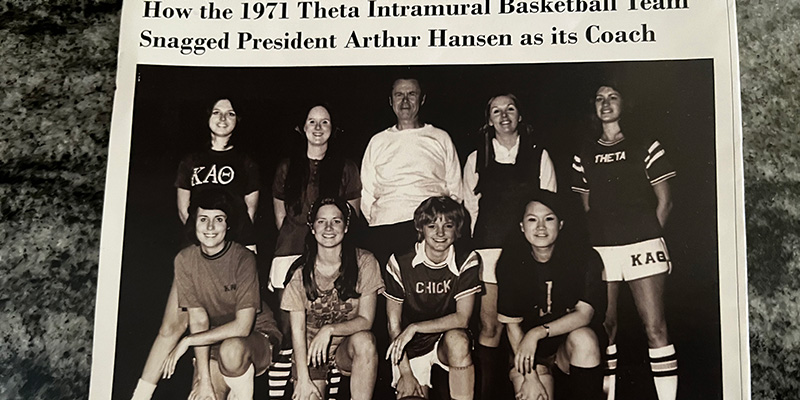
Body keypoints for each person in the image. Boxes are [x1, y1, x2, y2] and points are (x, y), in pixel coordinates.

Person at [133, 97, 261, 400]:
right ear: (208, 117)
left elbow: (249, 213)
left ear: (237, 120)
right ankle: (139, 395)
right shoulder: (191, 160)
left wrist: (231, 254)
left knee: (221, 329)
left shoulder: (246, 162)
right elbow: (184, 211)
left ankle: (215, 388)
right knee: (173, 325)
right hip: (196, 252)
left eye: (230, 113)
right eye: (216, 112)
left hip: (230, 256)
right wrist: (203, 245)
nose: (222, 118)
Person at [571, 84, 678, 400]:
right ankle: (609, 394)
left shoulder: (646, 145)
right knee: (606, 328)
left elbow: (666, 202)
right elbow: (587, 208)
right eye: (599, 98)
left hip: (642, 246)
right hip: (603, 250)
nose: (605, 103)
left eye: (612, 97)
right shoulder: (584, 153)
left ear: (625, 104)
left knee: (655, 328)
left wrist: (645, 237)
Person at [461, 94, 557, 398]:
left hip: (526, 254)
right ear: (489, 119)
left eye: (510, 109)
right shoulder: (477, 156)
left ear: (520, 116)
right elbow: (470, 208)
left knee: (524, 325)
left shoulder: (539, 154)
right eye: (496, 111)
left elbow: (548, 205)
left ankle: (532, 384)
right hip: (489, 251)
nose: (504, 116)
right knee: (490, 329)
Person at [268, 103, 362, 399]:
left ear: (333, 128)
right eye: (312, 121)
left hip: (331, 256)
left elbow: (352, 218)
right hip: (290, 252)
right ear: (303, 127)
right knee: (288, 334)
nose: (318, 127)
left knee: (327, 325)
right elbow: (280, 217)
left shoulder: (346, 167)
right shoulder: (287, 166)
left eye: (325, 122)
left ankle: (324, 387)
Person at [161, 189, 281, 400]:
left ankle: (242, 393)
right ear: (194, 223)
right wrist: (204, 382)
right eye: (203, 219)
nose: (209, 227)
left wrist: (187, 341)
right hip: (211, 340)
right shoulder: (184, 260)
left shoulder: (243, 258)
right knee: (206, 397)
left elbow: (242, 327)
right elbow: (199, 320)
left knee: (231, 351)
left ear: (228, 225)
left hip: (253, 338)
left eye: (218, 219)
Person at [496, 190, 606, 400]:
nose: (540, 227)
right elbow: (512, 326)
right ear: (521, 226)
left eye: (548, 219)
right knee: (536, 396)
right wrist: (530, 377)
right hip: (526, 353)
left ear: (561, 224)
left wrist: (537, 332)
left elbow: (584, 314)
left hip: (567, 348)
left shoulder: (585, 257)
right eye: (532, 219)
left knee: (585, 339)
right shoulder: (510, 263)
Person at [280, 197, 383, 400]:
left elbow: (366, 320)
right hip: (312, 350)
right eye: (321, 221)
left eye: (336, 221)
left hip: (347, 345)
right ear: (312, 228)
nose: (329, 227)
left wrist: (329, 330)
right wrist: (303, 379)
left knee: (366, 341)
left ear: (345, 227)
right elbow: (298, 330)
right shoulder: (300, 272)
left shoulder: (365, 262)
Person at [383, 196, 481, 400]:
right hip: (409, 347)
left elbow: (462, 318)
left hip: (445, 341)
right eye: (431, 225)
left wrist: (415, 327)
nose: (440, 233)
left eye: (448, 225)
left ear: (457, 229)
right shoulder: (400, 261)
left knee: (459, 340)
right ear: (421, 228)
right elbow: (393, 325)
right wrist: (406, 373)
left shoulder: (467, 259)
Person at [360, 77, 463, 268]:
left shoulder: (440, 137)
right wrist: (380, 220)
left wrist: (440, 223)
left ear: (422, 99)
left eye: (411, 94)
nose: (405, 101)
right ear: (391, 101)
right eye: (399, 95)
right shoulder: (378, 141)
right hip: (386, 227)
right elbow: (366, 193)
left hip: (429, 229)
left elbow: (455, 189)